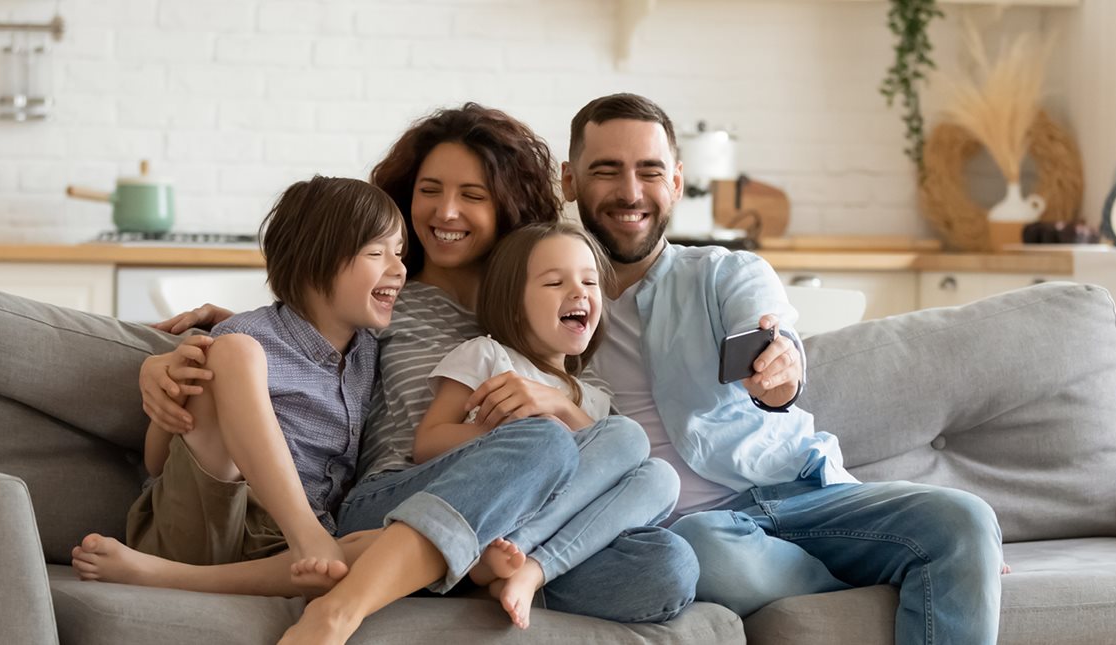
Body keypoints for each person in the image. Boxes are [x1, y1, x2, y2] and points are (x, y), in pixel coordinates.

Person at [136, 104, 697, 644]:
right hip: (394, 498)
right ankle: (378, 590)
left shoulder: (542, 310)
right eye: (429, 191)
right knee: (540, 445)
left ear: (507, 207)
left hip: (517, 520)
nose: (445, 212)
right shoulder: (390, 299)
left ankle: (478, 571)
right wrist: (188, 350)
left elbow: (611, 452)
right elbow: (304, 322)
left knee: (666, 566)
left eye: (472, 196)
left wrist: (555, 403)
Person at [560, 93, 1005, 645]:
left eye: (649, 172)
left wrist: (780, 373)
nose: (631, 192)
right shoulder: (551, 300)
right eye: (606, 171)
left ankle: (911, 560)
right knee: (700, 548)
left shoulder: (725, 273)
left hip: (801, 494)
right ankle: (866, 576)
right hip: (703, 533)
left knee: (964, 520)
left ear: (675, 181)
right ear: (569, 181)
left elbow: (774, 339)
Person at [73, 176, 409, 595]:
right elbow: (158, 462)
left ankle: (162, 576)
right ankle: (302, 532)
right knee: (236, 351)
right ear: (312, 262)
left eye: (399, 253)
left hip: (287, 551)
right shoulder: (242, 339)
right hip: (205, 519)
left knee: (396, 545)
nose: (399, 269)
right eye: (378, 253)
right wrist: (176, 393)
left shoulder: (370, 354)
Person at [416, 222, 679, 628]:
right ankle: (498, 558)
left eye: (590, 282)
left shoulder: (596, 397)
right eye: (555, 282)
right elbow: (427, 444)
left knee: (661, 475)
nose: (579, 292)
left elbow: (615, 471)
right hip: (493, 509)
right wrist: (509, 437)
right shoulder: (487, 356)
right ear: (514, 301)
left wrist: (562, 406)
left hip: (554, 539)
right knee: (626, 437)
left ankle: (529, 570)